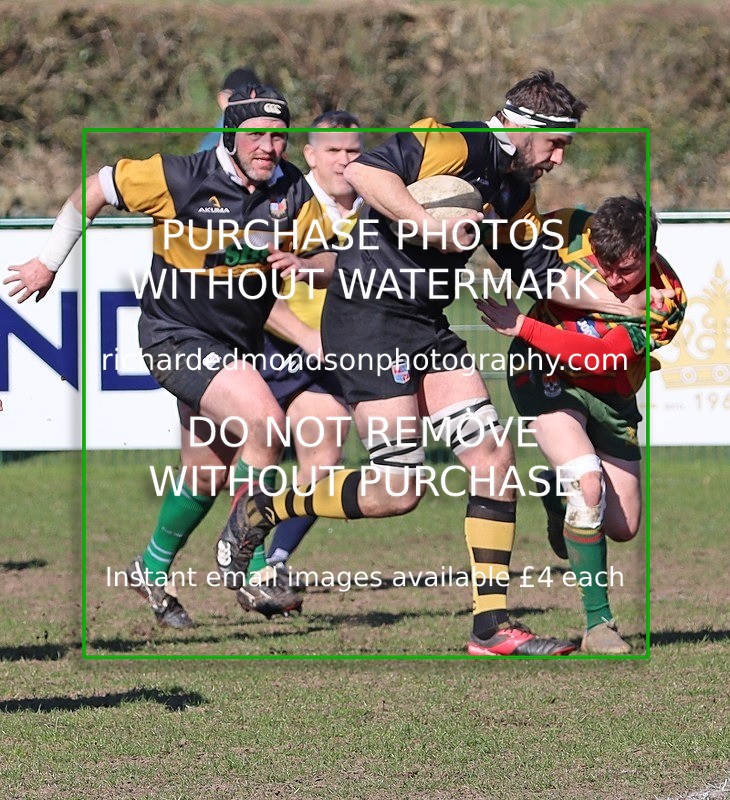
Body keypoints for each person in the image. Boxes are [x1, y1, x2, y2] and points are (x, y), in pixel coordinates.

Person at [213, 68, 604, 656]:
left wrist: (621, 301)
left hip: (426, 325)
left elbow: (540, 274)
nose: (557, 159)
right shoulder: (455, 140)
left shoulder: (513, 191)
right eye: (555, 144)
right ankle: (269, 506)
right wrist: (426, 224)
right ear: (526, 129)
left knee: (493, 453)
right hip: (367, 317)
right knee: (399, 490)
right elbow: (367, 171)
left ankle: (489, 626)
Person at [4, 83, 335, 629]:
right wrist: (48, 262)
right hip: (173, 336)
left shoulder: (292, 189)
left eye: (279, 136)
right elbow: (94, 188)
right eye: (256, 135)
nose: (269, 147)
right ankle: (247, 565)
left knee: (205, 475)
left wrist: (305, 267)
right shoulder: (180, 175)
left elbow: (326, 256)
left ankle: (149, 569)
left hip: (233, 346)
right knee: (266, 423)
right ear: (232, 134)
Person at [476, 195, 685, 653]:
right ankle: (599, 626)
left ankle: (556, 496)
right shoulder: (571, 226)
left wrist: (521, 325)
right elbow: (518, 245)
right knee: (587, 483)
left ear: (649, 253)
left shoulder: (666, 300)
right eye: (603, 265)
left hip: (609, 389)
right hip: (543, 372)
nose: (611, 279)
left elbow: (604, 356)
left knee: (624, 525)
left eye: (624, 271)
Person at [236, 110, 364, 615]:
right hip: (267, 347)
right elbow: (251, 291)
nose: (345, 160)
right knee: (211, 472)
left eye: (354, 150)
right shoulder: (282, 203)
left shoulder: (376, 208)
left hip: (327, 358)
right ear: (309, 155)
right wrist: (307, 335)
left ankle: (269, 564)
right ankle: (157, 566)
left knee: (323, 462)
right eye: (333, 150)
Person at [199, 67, 260, 152]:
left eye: (249, 96)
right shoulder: (212, 144)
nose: (243, 102)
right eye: (237, 96)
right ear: (221, 99)